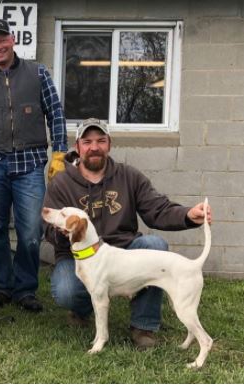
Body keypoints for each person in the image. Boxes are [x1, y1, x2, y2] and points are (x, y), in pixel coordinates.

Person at [43, 117, 212, 349]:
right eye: (88, 141)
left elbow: (157, 209)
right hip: (78, 257)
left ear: (109, 144)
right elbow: (46, 229)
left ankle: (143, 325)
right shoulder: (62, 183)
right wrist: (63, 233)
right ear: (78, 146)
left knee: (155, 245)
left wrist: (187, 215)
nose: (94, 147)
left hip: (124, 250)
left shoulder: (128, 176)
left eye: (101, 140)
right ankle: (82, 311)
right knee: (65, 289)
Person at [0, 19, 68, 311]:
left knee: (31, 231)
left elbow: (56, 114)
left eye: (2, 40)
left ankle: (25, 289)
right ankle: (1, 287)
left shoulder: (38, 73)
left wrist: (60, 153)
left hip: (30, 163)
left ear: (13, 39)